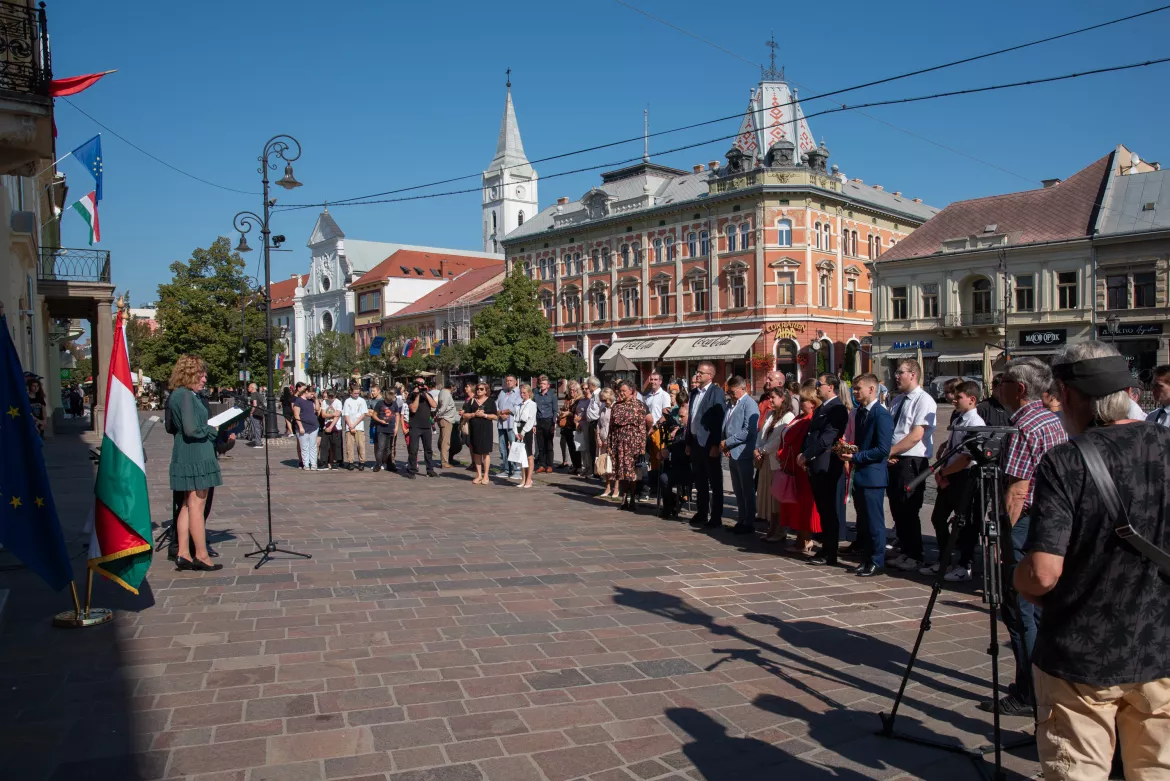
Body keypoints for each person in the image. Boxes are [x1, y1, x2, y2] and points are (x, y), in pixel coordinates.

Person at [1014, 342, 1170, 781]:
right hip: (1162, 644)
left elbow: (1043, 573)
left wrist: (1016, 577)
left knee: (1077, 770)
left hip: (1082, 654)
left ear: (1067, 393)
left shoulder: (1066, 460)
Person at [988, 356, 1068, 716]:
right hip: (1050, 519)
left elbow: (1016, 492)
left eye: (1002, 381)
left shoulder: (1022, 426)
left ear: (1018, 389)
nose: (997, 387)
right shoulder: (1052, 420)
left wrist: (1000, 539)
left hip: (1025, 522)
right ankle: (1038, 682)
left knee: (1018, 607)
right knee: (1036, 608)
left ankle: (1029, 691)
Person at [167, 355, 226, 572]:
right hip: (196, 454)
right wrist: (212, 430)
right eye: (201, 374)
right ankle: (201, 555)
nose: (204, 379)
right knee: (197, 506)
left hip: (186, 451)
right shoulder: (186, 396)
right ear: (190, 373)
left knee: (186, 504)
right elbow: (192, 429)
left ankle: (183, 552)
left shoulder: (178, 395)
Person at [921, 380, 985, 581]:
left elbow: (967, 457)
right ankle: (944, 559)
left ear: (972, 400)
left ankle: (965, 564)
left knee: (964, 522)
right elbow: (951, 448)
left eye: (959, 397)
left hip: (964, 476)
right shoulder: (959, 419)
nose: (954, 400)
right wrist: (942, 471)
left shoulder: (975, 423)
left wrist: (946, 472)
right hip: (950, 475)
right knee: (938, 518)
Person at [837, 374, 892, 576]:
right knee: (864, 522)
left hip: (873, 476)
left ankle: (877, 560)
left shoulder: (880, 414)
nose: (855, 392)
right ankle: (867, 558)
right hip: (860, 474)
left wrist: (856, 456)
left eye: (858, 388)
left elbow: (883, 449)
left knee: (874, 521)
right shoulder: (860, 412)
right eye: (854, 388)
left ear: (871, 389)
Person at [886, 359, 938, 572]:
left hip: (911, 461)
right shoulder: (897, 400)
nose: (896, 376)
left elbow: (917, 435)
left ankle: (915, 554)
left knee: (909, 508)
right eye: (897, 372)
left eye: (901, 372)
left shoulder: (924, 400)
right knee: (897, 507)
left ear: (913, 375)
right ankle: (905, 549)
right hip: (895, 458)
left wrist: (890, 451)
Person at [803, 374, 850, 567]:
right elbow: (812, 434)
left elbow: (826, 438)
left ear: (830, 387)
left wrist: (807, 455)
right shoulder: (824, 406)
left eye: (819, 384)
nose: (816, 388)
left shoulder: (836, 408)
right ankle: (826, 547)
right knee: (823, 509)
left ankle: (830, 551)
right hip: (816, 464)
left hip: (827, 465)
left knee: (829, 510)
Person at [776, 383, 820, 553]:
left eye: (804, 400)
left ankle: (806, 539)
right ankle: (801, 538)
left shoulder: (811, 419)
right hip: (791, 467)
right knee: (796, 505)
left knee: (804, 505)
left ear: (813, 403)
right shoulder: (799, 417)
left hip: (802, 469)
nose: (800, 403)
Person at [687, 362, 726, 529]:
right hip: (696, 441)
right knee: (700, 480)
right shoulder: (694, 393)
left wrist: (716, 444)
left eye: (701, 373)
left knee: (714, 481)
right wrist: (689, 441)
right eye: (697, 372)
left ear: (710, 375)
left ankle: (716, 516)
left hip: (709, 442)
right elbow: (691, 418)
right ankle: (701, 512)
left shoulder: (716, 392)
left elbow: (719, 419)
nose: (697, 375)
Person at [721, 376, 759, 534]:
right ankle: (742, 519)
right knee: (738, 489)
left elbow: (748, 430)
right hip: (733, 452)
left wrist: (729, 442)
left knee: (746, 489)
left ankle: (748, 521)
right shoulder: (732, 403)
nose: (730, 394)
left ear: (743, 388)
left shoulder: (749, 404)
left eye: (732, 391)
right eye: (729, 391)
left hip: (743, 452)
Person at [758, 386, 794, 543]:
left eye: (773, 397)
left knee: (776, 498)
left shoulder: (788, 416)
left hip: (776, 462)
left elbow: (779, 439)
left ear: (783, 398)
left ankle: (780, 529)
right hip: (766, 460)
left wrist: (762, 449)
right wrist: (758, 449)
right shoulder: (771, 414)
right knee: (768, 496)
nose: (770, 400)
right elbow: (762, 433)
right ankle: (772, 526)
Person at [609, 380, 649, 513]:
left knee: (632, 474)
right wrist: (610, 444)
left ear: (632, 391)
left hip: (634, 444)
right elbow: (611, 427)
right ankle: (623, 497)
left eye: (624, 391)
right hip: (619, 444)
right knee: (621, 473)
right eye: (620, 391)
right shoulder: (616, 406)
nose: (621, 393)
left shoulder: (639, 406)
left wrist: (642, 446)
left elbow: (643, 428)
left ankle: (632, 498)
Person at [658, 402, 691, 518]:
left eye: (682, 417)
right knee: (660, 477)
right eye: (679, 417)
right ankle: (671, 503)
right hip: (676, 467)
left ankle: (676, 502)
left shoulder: (693, 433)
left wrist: (672, 453)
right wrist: (664, 451)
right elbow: (673, 446)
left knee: (665, 478)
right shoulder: (680, 431)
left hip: (689, 468)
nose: (680, 420)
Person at [463, 382, 498, 485]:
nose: (479, 390)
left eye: (481, 389)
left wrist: (485, 415)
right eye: (478, 388)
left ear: (486, 390)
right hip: (474, 428)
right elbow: (464, 414)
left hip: (486, 428)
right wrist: (473, 414)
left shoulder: (490, 401)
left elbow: (495, 416)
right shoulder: (472, 401)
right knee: (476, 452)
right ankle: (478, 474)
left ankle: (486, 475)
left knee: (485, 452)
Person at [406, 375, 438, 478]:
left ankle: (430, 469)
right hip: (415, 426)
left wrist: (425, 393)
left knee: (428, 449)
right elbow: (413, 409)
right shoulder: (411, 396)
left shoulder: (427, 395)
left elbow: (434, 405)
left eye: (423, 384)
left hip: (426, 426)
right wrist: (418, 395)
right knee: (413, 449)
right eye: (420, 384)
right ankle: (412, 470)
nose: (422, 386)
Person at [494, 375, 521, 480]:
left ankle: (516, 470)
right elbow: (496, 404)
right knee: (502, 448)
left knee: (514, 446)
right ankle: (506, 469)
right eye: (507, 381)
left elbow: (518, 407)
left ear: (515, 382)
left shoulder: (519, 392)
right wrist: (500, 413)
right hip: (501, 423)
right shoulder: (502, 392)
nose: (508, 382)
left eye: (511, 381)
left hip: (512, 424)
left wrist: (506, 411)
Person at [341, 384, 370, 470]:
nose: (356, 395)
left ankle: (362, 461)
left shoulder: (362, 401)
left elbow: (363, 414)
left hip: (359, 426)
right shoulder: (347, 401)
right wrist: (350, 425)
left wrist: (354, 424)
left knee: (361, 445)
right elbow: (345, 414)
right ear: (351, 392)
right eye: (355, 393)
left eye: (358, 393)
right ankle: (350, 462)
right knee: (349, 445)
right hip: (349, 426)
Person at [514, 383, 537, 488]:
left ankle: (529, 478)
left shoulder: (532, 404)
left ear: (529, 393)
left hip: (526, 430)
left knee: (528, 454)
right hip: (518, 429)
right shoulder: (519, 405)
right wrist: (515, 431)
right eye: (521, 393)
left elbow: (530, 420)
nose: (522, 395)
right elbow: (515, 419)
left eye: (524, 393)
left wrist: (523, 432)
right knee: (521, 455)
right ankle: (523, 477)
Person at [292, 385, 319, 472]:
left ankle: (314, 464)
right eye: (311, 394)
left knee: (313, 446)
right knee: (304, 447)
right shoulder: (298, 401)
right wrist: (300, 427)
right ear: (306, 392)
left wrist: (316, 399)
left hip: (313, 426)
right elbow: (296, 415)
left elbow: (317, 409)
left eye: (313, 394)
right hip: (303, 426)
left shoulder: (311, 400)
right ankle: (306, 464)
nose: (312, 396)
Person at [533, 375, 557, 472]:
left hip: (549, 421)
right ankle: (542, 464)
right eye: (541, 384)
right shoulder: (536, 396)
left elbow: (555, 410)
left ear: (548, 386)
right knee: (540, 444)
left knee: (549, 444)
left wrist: (554, 423)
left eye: (544, 384)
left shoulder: (552, 396)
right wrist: (534, 424)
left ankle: (549, 465)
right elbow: (534, 410)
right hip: (539, 421)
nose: (541, 385)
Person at [597, 387, 617, 499]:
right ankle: (608, 487)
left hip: (612, 440)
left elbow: (614, 427)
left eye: (604, 400)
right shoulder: (603, 408)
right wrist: (598, 438)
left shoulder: (615, 408)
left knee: (614, 465)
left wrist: (610, 440)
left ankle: (617, 488)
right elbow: (599, 424)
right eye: (602, 400)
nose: (603, 402)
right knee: (606, 465)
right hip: (603, 440)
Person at [434, 381, 459, 468]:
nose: (455, 389)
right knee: (445, 441)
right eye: (454, 387)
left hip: (445, 418)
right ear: (451, 386)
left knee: (444, 440)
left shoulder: (443, 392)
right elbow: (443, 407)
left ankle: (444, 460)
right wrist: (438, 415)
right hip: (446, 419)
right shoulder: (446, 393)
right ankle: (444, 462)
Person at [560, 380, 583, 473]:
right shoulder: (568, 399)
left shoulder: (580, 400)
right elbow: (564, 408)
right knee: (570, 447)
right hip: (567, 426)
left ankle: (579, 466)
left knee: (577, 447)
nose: (572, 392)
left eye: (574, 390)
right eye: (570, 390)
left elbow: (579, 413)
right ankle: (574, 465)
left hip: (576, 426)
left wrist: (568, 413)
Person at [317, 389, 343, 470]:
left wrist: (331, 427)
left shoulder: (338, 402)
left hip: (336, 426)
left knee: (336, 445)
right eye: (329, 397)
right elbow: (323, 415)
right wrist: (332, 414)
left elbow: (337, 416)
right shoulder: (325, 402)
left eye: (332, 397)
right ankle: (324, 462)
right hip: (326, 425)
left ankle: (335, 462)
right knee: (324, 445)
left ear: (335, 396)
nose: (330, 399)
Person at [583, 376, 602, 478]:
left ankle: (597, 472)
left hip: (596, 423)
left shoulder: (598, 395)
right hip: (591, 423)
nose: (588, 387)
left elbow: (601, 409)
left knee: (595, 448)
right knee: (592, 448)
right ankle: (594, 470)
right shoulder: (594, 395)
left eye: (589, 385)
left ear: (592, 385)